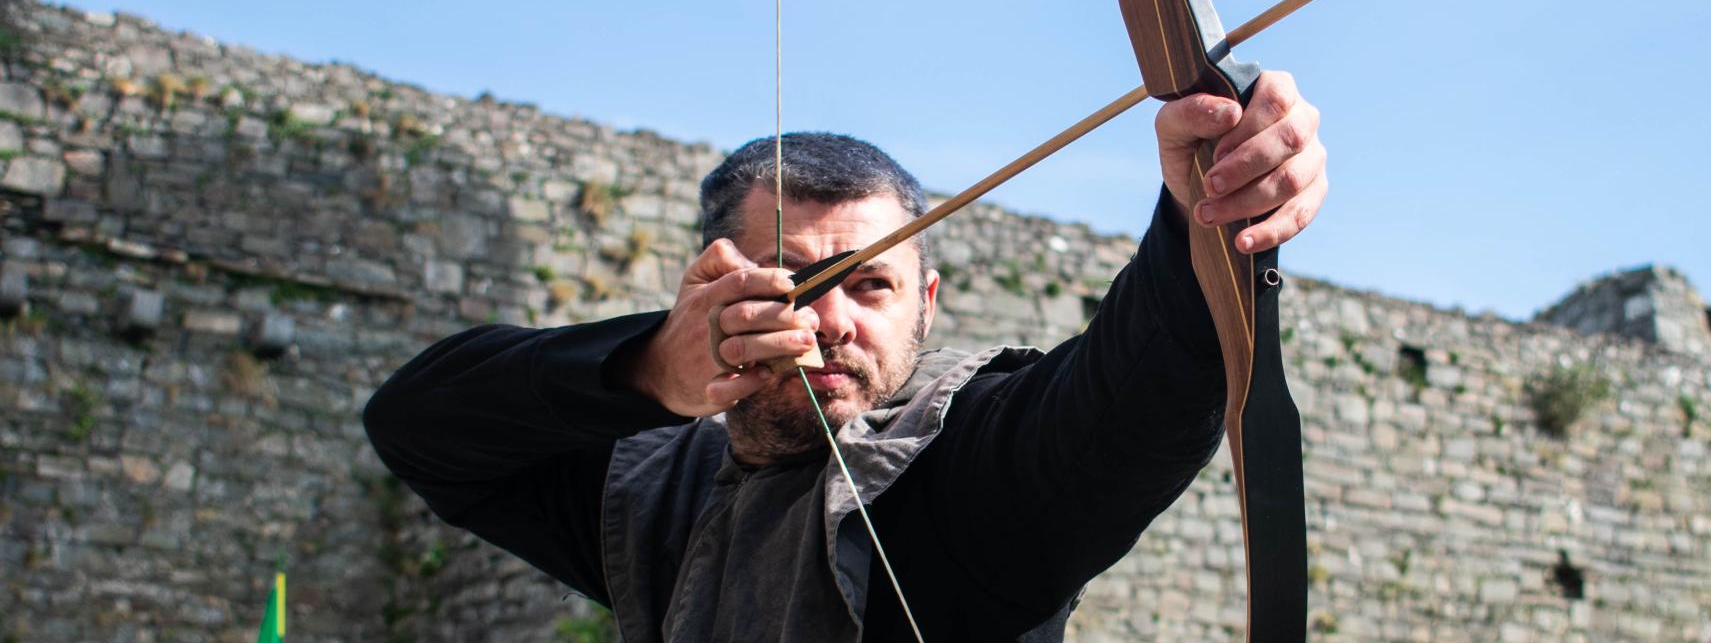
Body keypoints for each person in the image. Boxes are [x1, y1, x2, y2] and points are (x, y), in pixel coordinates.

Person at [363, 73, 1328, 642]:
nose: (827, 321)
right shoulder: (653, 490)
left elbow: (1138, 394)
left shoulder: (975, 463)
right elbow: (416, 427)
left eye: (870, 286)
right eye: (784, 281)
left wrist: (1215, 205)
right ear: (708, 287)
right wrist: (650, 371)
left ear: (926, 306)